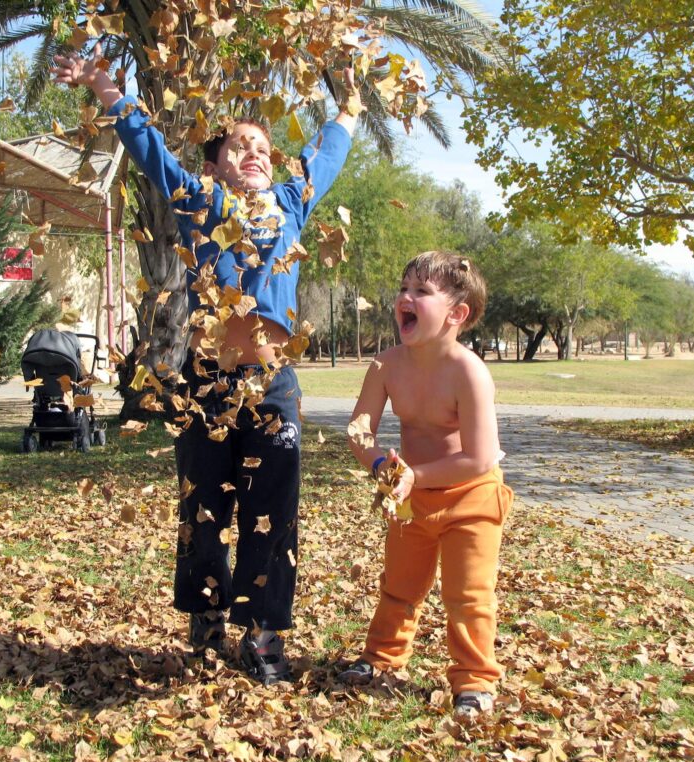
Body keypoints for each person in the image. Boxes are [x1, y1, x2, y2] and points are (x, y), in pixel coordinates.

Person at [52, 53, 358, 684]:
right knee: (204, 507)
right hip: (206, 386)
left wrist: (350, 102)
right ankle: (208, 615)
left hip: (272, 388)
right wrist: (102, 83)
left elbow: (328, 152)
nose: (255, 154)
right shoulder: (201, 200)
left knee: (274, 509)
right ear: (216, 165)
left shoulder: (291, 202)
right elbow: (149, 148)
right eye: (240, 146)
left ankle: (264, 634)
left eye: (263, 148)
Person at [340, 251, 514, 718]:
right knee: (399, 586)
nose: (406, 297)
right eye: (404, 288)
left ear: (457, 313)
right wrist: (383, 465)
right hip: (409, 494)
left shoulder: (468, 371)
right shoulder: (385, 366)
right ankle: (381, 658)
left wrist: (417, 475)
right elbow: (358, 430)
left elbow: (479, 457)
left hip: (472, 495)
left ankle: (474, 680)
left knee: (468, 594)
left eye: (421, 291)